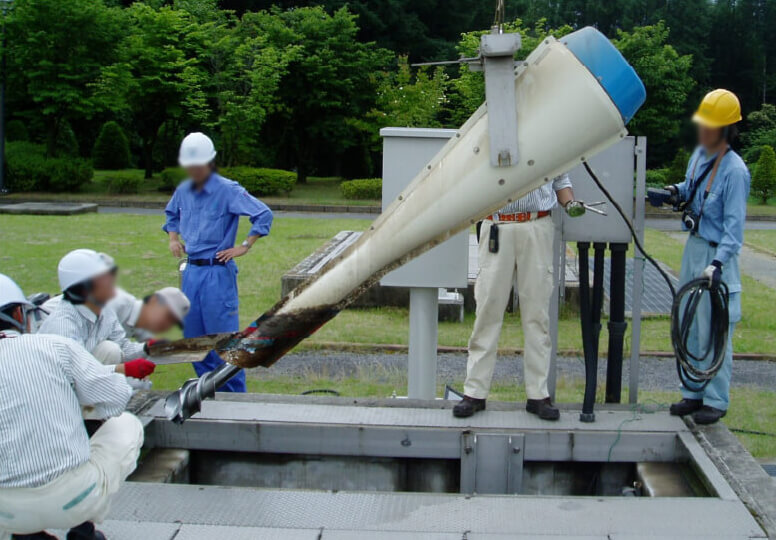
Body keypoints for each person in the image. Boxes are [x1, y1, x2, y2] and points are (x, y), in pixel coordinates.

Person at [0, 273, 143, 540]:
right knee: (127, 424)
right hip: (73, 499)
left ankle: (25, 533)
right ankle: (84, 530)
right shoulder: (55, 345)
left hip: (4, 511)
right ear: (19, 313)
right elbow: (115, 397)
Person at [453, 175, 585, 420]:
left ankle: (538, 395)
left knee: (537, 315)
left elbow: (561, 180)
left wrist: (570, 205)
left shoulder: (550, 137)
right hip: (496, 225)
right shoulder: (487, 136)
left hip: (537, 224)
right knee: (487, 312)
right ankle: (475, 392)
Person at [163, 132, 273, 392]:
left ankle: (234, 397)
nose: (194, 170)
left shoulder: (228, 190)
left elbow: (263, 214)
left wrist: (244, 245)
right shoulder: (183, 190)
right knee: (193, 339)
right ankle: (206, 391)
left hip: (217, 273)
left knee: (223, 342)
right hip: (191, 272)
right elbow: (171, 214)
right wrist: (173, 238)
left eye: (198, 165)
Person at [665, 89, 750, 425]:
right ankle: (693, 393)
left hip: (718, 254)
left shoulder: (735, 171)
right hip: (694, 246)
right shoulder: (700, 155)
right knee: (690, 322)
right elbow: (690, 187)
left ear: (727, 130)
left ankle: (716, 400)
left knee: (714, 327)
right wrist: (673, 192)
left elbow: (734, 228)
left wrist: (717, 264)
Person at [38, 249, 155, 380]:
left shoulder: (104, 308)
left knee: (111, 349)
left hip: (83, 379)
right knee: (110, 350)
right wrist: (122, 369)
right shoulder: (63, 325)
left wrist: (147, 348)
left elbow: (123, 348)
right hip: (59, 388)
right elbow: (73, 373)